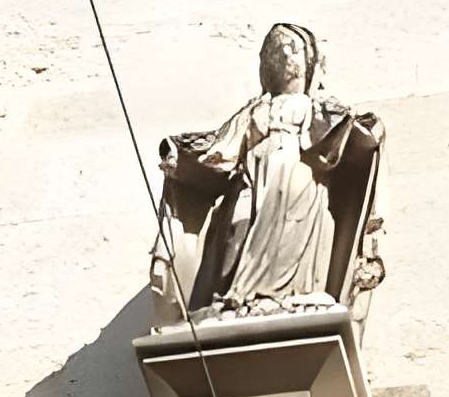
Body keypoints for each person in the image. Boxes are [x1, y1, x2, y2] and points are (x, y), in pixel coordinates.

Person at [156, 22, 381, 319]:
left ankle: (286, 296)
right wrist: (181, 154)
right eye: (280, 54)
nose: (287, 58)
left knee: (290, 234)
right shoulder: (255, 108)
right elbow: (220, 147)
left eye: (294, 53)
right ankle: (238, 296)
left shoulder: (314, 105)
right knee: (237, 225)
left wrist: (362, 128)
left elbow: (341, 130)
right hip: (251, 176)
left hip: (296, 176)